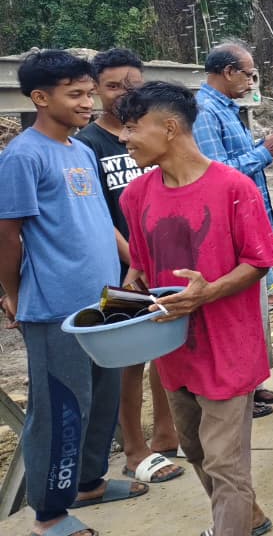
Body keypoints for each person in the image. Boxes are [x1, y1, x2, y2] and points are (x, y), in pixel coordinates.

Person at [116, 81, 273, 536]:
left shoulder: (234, 188)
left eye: (132, 128)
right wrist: (127, 292)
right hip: (174, 350)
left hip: (229, 347)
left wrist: (208, 292)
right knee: (198, 451)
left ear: (169, 128)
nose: (125, 139)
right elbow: (143, 269)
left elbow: (261, 261)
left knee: (226, 464)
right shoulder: (135, 195)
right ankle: (253, 519)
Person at [0, 50, 148, 536]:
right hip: (56, 307)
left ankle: (89, 482)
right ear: (41, 98)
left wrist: (133, 265)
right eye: (76, 94)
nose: (88, 103)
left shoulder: (81, 150)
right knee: (62, 407)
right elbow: (7, 233)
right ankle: (49, 513)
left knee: (104, 396)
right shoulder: (23, 156)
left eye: (89, 93)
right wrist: (12, 293)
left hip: (104, 298)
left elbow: (102, 223)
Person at [74, 48, 184, 485]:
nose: (124, 94)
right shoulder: (88, 146)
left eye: (133, 86)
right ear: (97, 89)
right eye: (114, 86)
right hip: (122, 270)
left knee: (163, 350)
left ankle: (166, 432)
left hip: (161, 264)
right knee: (127, 360)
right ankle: (134, 447)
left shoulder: (154, 135)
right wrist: (135, 260)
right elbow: (99, 217)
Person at [192, 38, 273, 417]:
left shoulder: (226, 109)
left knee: (252, 312)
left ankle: (252, 385)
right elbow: (216, 173)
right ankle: (237, 393)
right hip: (226, 231)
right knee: (233, 316)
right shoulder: (203, 111)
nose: (252, 81)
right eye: (249, 74)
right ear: (229, 72)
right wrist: (264, 151)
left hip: (246, 226)